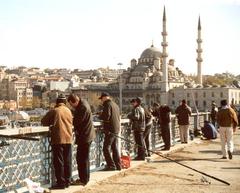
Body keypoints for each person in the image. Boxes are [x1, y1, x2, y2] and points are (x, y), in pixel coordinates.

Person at [41, 94, 73, 189]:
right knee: (67, 161)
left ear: (57, 102)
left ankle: (61, 183)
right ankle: (68, 181)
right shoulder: (68, 111)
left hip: (58, 139)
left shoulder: (55, 111)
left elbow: (44, 121)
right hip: (69, 139)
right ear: (65, 103)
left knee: (59, 162)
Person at [67, 94, 96, 186]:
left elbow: (77, 122)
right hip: (87, 135)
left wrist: (70, 119)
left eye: (71, 104)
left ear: (74, 101)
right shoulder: (84, 104)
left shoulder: (82, 108)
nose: (72, 106)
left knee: (82, 158)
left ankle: (83, 179)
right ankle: (84, 178)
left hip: (85, 136)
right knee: (83, 158)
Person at [98, 92, 122, 171]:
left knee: (106, 148)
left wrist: (100, 116)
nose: (101, 101)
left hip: (110, 130)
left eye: (101, 99)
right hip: (116, 129)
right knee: (114, 147)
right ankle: (118, 165)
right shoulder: (115, 104)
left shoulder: (107, 104)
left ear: (105, 97)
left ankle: (111, 165)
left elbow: (107, 116)